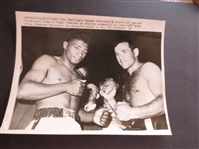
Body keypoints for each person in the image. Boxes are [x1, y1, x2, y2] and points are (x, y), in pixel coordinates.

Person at [17, 32, 110, 132]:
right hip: (47, 124)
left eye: (85, 51)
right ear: (65, 45)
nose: (80, 54)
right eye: (77, 47)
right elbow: (22, 91)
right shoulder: (48, 61)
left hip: (73, 127)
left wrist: (93, 117)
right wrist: (66, 86)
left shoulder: (78, 76)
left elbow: (73, 112)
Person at [113, 39, 168, 130]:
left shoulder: (148, 67)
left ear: (135, 52)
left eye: (124, 52)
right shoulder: (127, 81)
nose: (120, 57)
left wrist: (132, 112)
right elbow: (127, 114)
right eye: (117, 54)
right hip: (138, 128)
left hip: (154, 125)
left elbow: (165, 101)